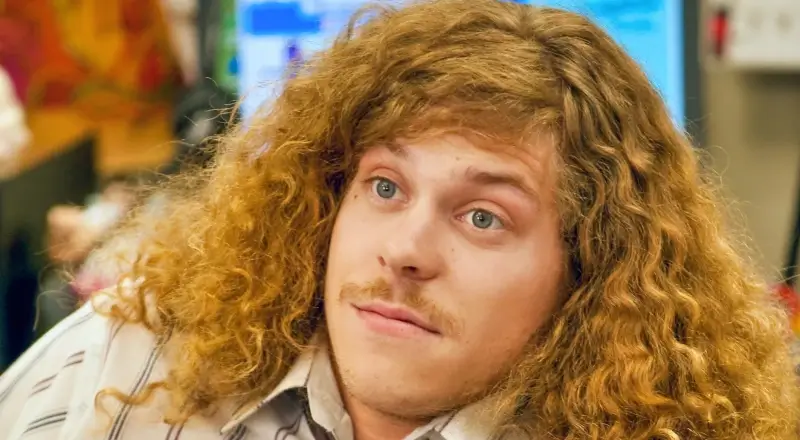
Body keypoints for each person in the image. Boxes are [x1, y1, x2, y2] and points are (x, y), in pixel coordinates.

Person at [1, 0, 798, 438]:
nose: (406, 251)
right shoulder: (129, 357)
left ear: (589, 274)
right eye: (384, 187)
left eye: (483, 217)